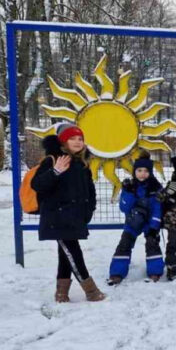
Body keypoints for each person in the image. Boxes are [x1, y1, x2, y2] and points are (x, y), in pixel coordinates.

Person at [31, 124, 105, 302]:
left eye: (80, 139)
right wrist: (55, 171)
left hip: (75, 217)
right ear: (64, 141)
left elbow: (90, 190)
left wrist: (89, 208)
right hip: (57, 217)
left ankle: (61, 293)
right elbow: (37, 185)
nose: (78, 142)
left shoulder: (82, 162)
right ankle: (91, 291)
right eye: (72, 138)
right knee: (73, 252)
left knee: (66, 254)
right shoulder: (53, 160)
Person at [108, 151, 164, 284]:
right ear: (134, 171)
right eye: (139, 170)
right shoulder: (130, 186)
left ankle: (155, 272)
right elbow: (124, 208)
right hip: (133, 221)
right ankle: (117, 273)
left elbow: (158, 209)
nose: (142, 174)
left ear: (150, 172)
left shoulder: (156, 187)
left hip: (149, 223)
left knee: (152, 244)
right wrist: (127, 192)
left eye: (146, 171)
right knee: (124, 244)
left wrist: (154, 226)